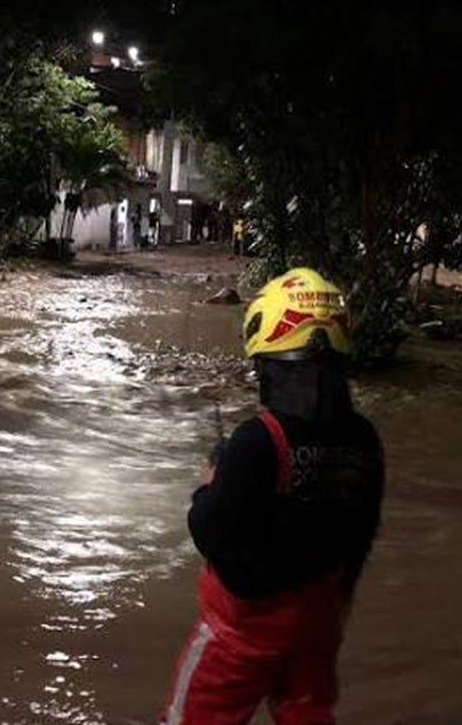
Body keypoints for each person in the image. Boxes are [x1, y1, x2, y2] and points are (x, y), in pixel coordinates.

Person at [161, 268, 385, 725]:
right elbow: (362, 531)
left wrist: (208, 483)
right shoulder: (364, 439)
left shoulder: (255, 440)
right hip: (318, 623)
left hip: (240, 632)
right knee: (308, 714)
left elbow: (209, 531)